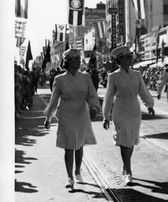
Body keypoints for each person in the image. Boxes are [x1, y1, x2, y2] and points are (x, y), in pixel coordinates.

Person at [43, 49, 101, 189]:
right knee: (69, 146)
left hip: (82, 112)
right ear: (68, 61)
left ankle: (77, 171)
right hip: (66, 114)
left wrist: (94, 108)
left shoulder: (85, 77)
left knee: (79, 144)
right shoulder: (59, 79)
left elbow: (92, 95)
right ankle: (69, 177)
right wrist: (49, 118)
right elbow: (54, 101)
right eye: (74, 59)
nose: (77, 61)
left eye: (78, 58)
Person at [102, 46, 155, 186]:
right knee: (124, 139)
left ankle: (126, 166)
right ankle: (128, 172)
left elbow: (143, 91)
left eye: (130, 57)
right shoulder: (113, 76)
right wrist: (106, 115)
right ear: (120, 60)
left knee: (130, 140)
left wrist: (149, 104)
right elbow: (108, 97)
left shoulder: (137, 75)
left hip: (134, 109)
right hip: (120, 109)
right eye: (127, 57)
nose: (130, 59)